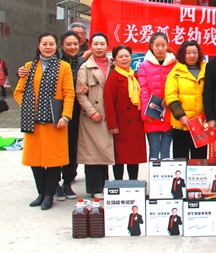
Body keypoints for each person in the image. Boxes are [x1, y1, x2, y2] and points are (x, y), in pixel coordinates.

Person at [14, 33, 75, 210]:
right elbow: (18, 92)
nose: (48, 47)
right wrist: (28, 108)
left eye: (51, 44)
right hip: (33, 122)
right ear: (38, 46)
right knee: (35, 160)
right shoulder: (29, 67)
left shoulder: (63, 67)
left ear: (57, 46)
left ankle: (49, 195)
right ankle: (41, 193)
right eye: (44, 44)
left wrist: (65, 116)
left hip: (55, 122)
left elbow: (69, 93)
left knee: (54, 160)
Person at [76, 32, 114, 199]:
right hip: (92, 116)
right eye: (96, 44)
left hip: (108, 115)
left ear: (107, 46)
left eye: (102, 44)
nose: (99, 47)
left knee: (104, 151)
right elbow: (79, 93)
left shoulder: (113, 65)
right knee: (92, 153)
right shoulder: (85, 67)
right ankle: (94, 187)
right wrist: (92, 112)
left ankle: (104, 185)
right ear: (90, 46)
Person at [104, 45, 147, 181]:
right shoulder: (113, 78)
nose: (124, 59)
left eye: (127, 56)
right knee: (120, 158)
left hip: (136, 124)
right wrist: (112, 125)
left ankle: (134, 184)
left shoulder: (135, 76)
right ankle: (119, 184)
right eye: (120, 56)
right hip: (121, 124)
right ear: (114, 59)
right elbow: (108, 103)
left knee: (134, 157)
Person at [54, 31, 86, 200]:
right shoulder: (55, 62)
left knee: (72, 145)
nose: (72, 47)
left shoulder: (83, 62)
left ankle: (68, 181)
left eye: (75, 44)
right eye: (68, 44)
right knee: (57, 145)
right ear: (61, 46)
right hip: (57, 108)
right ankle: (55, 183)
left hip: (75, 109)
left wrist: (84, 88)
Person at [165, 40, 208, 159]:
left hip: (200, 124)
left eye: (195, 52)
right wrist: (181, 116)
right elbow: (171, 96)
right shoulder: (175, 72)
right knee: (181, 159)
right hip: (181, 123)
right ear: (182, 54)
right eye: (188, 52)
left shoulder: (206, 70)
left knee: (200, 160)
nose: (192, 55)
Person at [138, 32, 176, 160]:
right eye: (157, 45)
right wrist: (146, 114)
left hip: (169, 113)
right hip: (151, 114)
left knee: (166, 152)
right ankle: (154, 174)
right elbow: (143, 90)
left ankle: (166, 174)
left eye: (163, 45)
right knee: (154, 151)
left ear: (167, 46)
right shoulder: (144, 65)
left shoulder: (174, 65)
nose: (160, 48)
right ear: (151, 46)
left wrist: (170, 100)